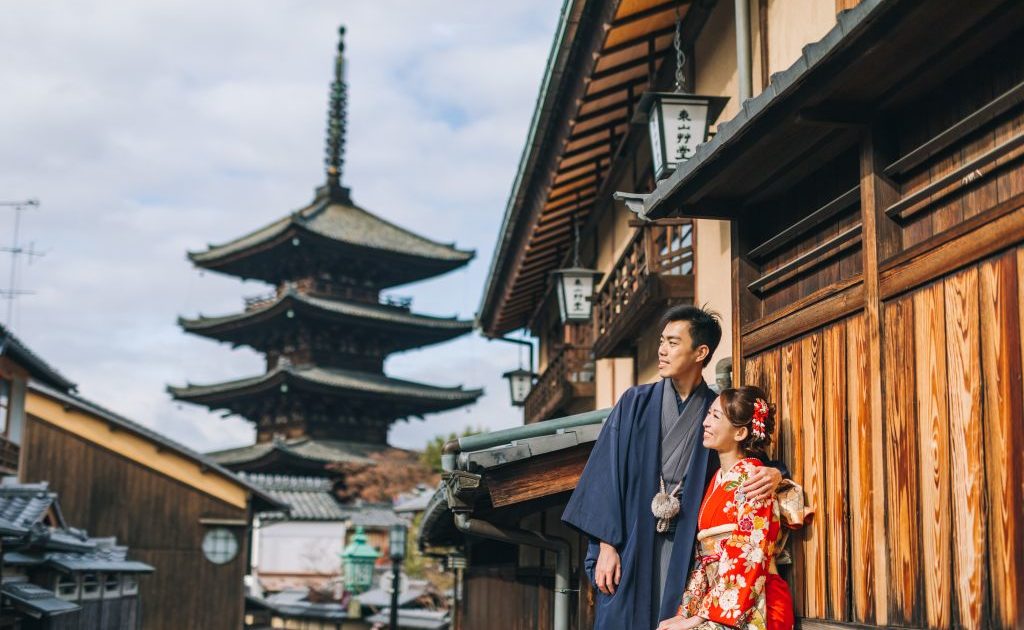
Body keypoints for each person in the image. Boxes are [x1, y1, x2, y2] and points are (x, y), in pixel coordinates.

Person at [561, 306, 784, 629]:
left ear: (701, 352)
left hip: (685, 554)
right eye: (662, 341)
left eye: (673, 343)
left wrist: (776, 474)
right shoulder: (634, 403)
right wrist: (606, 545)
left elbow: (744, 458)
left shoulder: (715, 412)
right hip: (631, 543)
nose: (662, 350)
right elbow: (605, 475)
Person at [657, 386, 797, 630]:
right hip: (722, 603)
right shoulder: (716, 481)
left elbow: (748, 553)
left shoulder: (754, 478)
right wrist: (687, 611)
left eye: (715, 416)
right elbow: (704, 560)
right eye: (708, 414)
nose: (705, 423)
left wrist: (699, 617)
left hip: (755, 600)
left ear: (740, 432)